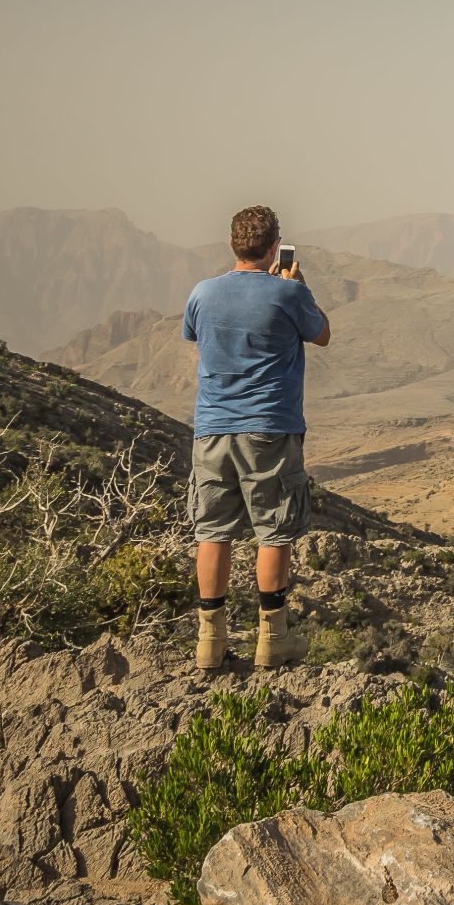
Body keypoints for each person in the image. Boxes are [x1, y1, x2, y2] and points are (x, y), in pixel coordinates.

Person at [182, 206, 331, 670]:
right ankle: (273, 638)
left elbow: (193, 333)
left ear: (232, 245)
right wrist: (297, 286)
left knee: (212, 531)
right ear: (273, 247)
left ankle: (210, 641)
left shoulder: (203, 292)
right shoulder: (287, 293)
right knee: (274, 529)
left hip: (212, 428)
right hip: (268, 426)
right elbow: (322, 334)